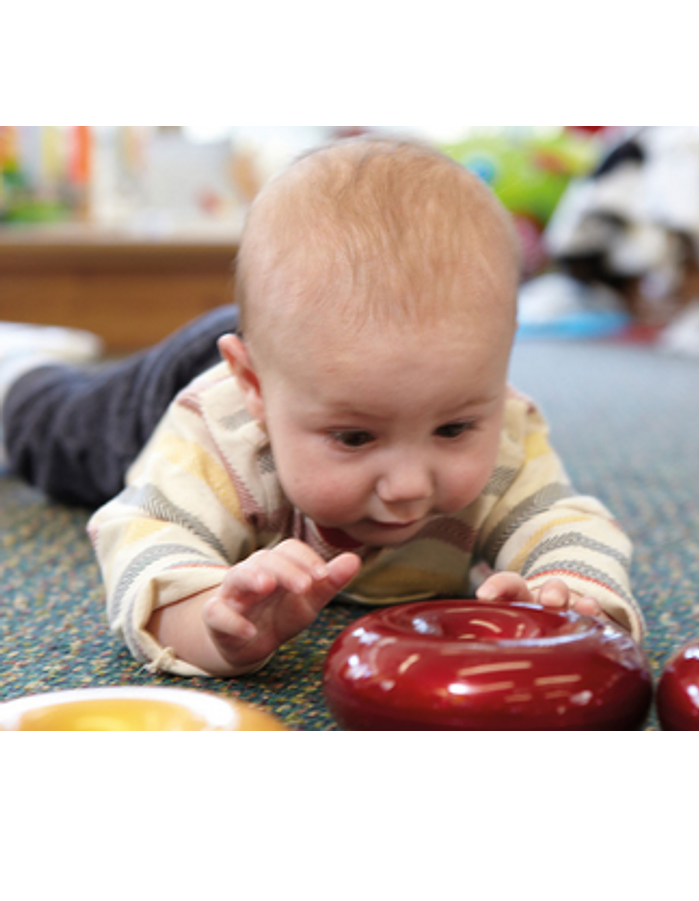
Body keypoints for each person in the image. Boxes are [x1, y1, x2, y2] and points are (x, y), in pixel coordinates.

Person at [1, 139, 643, 678]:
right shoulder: (224, 429)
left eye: (452, 428)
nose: (409, 486)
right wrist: (208, 619)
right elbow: (147, 531)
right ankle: (20, 368)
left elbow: (565, 523)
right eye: (356, 438)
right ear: (253, 386)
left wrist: (574, 598)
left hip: (303, 354)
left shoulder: (501, 426)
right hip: (175, 381)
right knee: (60, 439)